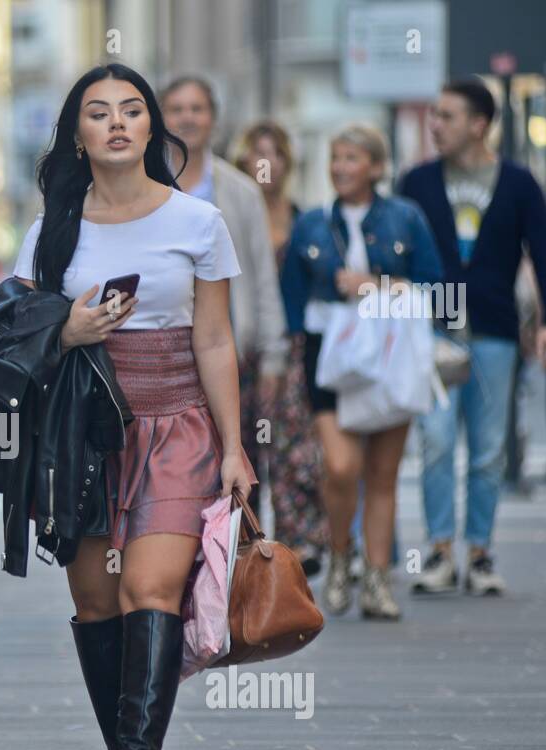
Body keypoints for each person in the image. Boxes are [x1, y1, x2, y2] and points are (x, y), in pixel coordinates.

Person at [12, 63, 255, 750]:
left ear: (152, 128)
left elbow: (215, 339)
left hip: (179, 422)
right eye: (97, 112)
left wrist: (235, 445)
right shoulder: (52, 228)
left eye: (131, 110)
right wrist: (66, 330)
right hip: (82, 433)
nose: (116, 122)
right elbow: (15, 326)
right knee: (95, 602)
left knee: (151, 587)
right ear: (77, 135)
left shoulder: (197, 220)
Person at [399, 78, 546, 596]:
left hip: (494, 330)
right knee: (437, 440)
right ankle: (441, 551)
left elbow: (544, 254)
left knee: (489, 447)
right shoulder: (417, 182)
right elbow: (398, 252)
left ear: (479, 124)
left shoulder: (519, 183)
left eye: (446, 117)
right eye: (433, 116)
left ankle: (481, 551)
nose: (435, 126)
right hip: (432, 330)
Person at [281, 124, 443, 620]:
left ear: (375, 167)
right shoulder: (310, 223)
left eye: (351, 158)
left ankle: (376, 581)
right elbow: (291, 294)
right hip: (327, 351)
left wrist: (375, 284)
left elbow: (435, 284)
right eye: (335, 157)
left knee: (382, 473)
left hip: (391, 351)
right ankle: (339, 559)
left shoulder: (405, 216)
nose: (340, 167)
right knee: (342, 466)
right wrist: (285, 353)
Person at [160, 78, 287, 526]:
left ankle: (240, 577)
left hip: (234, 355)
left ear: (213, 118)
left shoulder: (241, 192)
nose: (187, 118)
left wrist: (273, 354)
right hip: (167, 360)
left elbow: (262, 275)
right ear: (161, 118)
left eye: (197, 108)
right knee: (181, 476)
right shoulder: (147, 186)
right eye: (176, 108)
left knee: (242, 471)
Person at [234, 119, 330, 575]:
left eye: (274, 153)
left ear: (288, 162)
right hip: (238, 344)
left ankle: (299, 543)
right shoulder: (230, 214)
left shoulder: (302, 219)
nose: (265, 163)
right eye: (257, 153)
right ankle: (246, 542)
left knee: (291, 445)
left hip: (289, 347)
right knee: (241, 445)